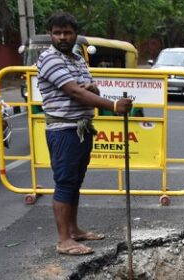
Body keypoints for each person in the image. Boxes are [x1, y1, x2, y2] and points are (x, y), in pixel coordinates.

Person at [37, 12, 133, 256]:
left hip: (81, 127)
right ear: (50, 34)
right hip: (64, 129)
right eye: (57, 33)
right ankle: (63, 240)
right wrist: (112, 106)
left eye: (67, 32)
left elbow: (90, 86)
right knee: (65, 182)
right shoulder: (50, 59)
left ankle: (74, 229)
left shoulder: (78, 58)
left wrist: (91, 87)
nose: (62, 37)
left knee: (75, 181)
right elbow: (76, 92)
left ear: (75, 34)